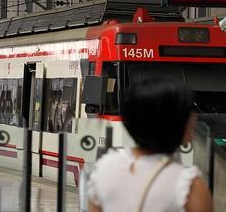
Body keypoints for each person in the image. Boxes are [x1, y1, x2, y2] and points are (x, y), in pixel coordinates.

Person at [88, 77, 213, 212]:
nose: (194, 119)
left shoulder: (104, 168)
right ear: (171, 123)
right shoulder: (189, 186)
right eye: (188, 114)